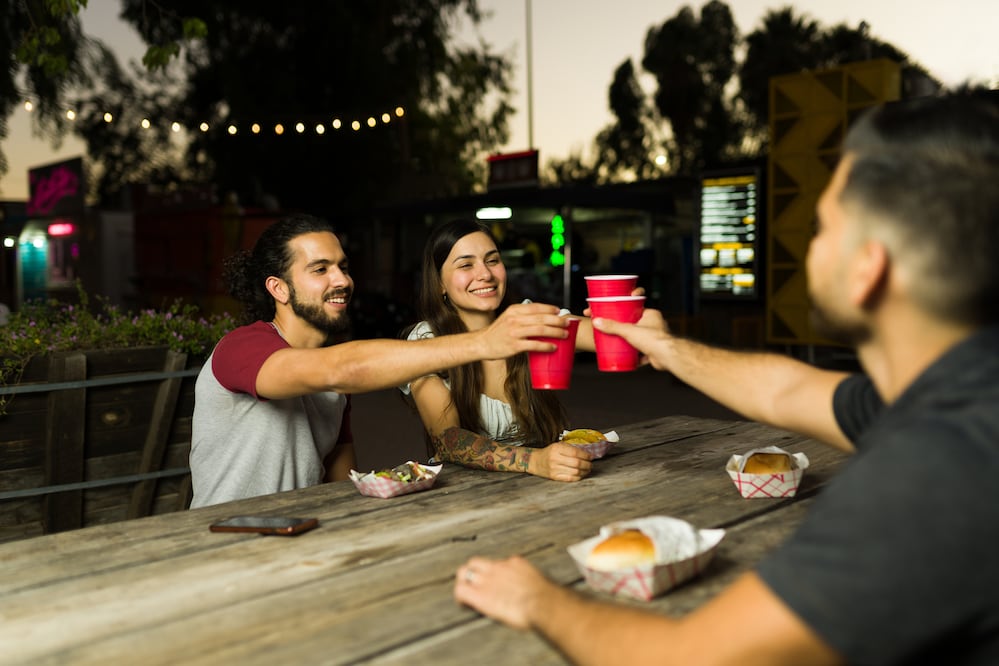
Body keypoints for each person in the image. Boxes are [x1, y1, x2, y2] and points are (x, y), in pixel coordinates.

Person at [453, 93, 999, 664]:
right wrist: (666, 348)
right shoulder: (952, 395)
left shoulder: (934, 474)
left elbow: (687, 657)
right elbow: (785, 390)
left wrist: (539, 600)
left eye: (823, 227)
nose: (809, 246)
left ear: (869, 267)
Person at [190, 214, 571, 507]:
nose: (341, 280)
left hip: (296, 535)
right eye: (320, 270)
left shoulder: (334, 384)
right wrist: (484, 343)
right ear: (278, 288)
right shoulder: (242, 348)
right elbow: (342, 370)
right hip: (226, 539)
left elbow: (339, 477)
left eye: (343, 266)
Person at [400, 219, 597, 482]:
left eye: (492, 260)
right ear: (440, 284)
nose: (485, 274)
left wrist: (623, 315)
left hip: (549, 479)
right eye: (466, 265)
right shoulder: (427, 340)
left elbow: (608, 339)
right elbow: (448, 440)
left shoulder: (528, 318)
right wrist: (534, 461)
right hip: (464, 492)